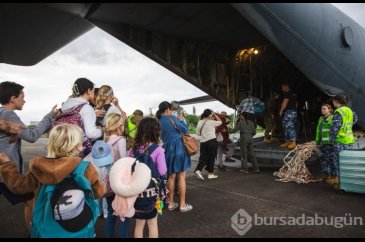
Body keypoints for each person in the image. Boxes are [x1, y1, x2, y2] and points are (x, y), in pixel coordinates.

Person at [0, 123, 105, 234]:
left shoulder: (39, 168)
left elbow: (19, 186)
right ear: (77, 145)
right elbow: (99, 192)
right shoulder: (86, 168)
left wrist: (6, 165)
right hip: (78, 227)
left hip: (46, 227)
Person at [0, 81, 58, 229]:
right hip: (6, 173)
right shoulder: (8, 114)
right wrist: (49, 116)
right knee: (31, 200)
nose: (24, 100)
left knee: (30, 200)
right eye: (22, 96)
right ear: (13, 98)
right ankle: (33, 232)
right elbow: (32, 136)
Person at [128, 117, 167, 238]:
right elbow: (162, 171)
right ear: (156, 132)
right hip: (153, 193)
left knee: (139, 223)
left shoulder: (133, 149)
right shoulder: (158, 150)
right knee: (153, 222)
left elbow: (128, 168)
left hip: (137, 191)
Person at [156, 101, 192, 212]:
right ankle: (182, 205)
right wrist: (181, 119)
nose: (172, 111)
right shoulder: (172, 118)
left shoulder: (158, 122)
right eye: (171, 109)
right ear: (167, 110)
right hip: (179, 148)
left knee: (171, 177)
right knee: (181, 176)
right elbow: (185, 130)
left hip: (167, 150)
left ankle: (171, 203)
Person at [59, 78, 103, 156]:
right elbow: (91, 133)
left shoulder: (65, 107)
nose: (93, 93)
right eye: (93, 90)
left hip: (63, 148)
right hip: (78, 151)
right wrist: (103, 131)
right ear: (89, 91)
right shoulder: (86, 108)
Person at [104, 113, 129, 238]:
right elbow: (124, 161)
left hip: (108, 181)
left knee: (111, 212)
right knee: (124, 213)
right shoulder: (121, 140)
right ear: (119, 126)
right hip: (120, 181)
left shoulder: (106, 141)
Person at [328, 94, 358, 185]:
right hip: (349, 140)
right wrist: (347, 126)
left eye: (333, 101)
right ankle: (346, 180)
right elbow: (355, 119)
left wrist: (332, 140)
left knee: (337, 160)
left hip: (340, 141)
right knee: (346, 161)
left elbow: (334, 128)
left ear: (337, 101)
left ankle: (338, 181)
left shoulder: (338, 111)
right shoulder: (349, 110)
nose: (332, 103)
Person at [194, 109, 222, 179]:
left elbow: (197, 133)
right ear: (210, 114)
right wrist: (215, 114)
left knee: (203, 157)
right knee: (212, 157)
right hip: (212, 141)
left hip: (203, 142)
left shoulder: (200, 122)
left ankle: (198, 170)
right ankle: (210, 174)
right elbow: (220, 122)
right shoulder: (211, 122)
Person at [315, 103, 334, 183]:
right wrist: (317, 142)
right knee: (322, 158)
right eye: (321, 109)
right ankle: (326, 175)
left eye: (324, 108)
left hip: (330, 143)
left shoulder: (333, 118)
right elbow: (318, 131)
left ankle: (333, 177)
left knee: (331, 159)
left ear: (329, 109)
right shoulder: (321, 119)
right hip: (322, 143)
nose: (322, 110)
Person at [279, 83, 298, 149]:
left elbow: (285, 103)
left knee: (289, 126)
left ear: (286, 87)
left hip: (290, 112)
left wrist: (281, 110)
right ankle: (288, 141)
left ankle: (293, 141)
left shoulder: (288, 93)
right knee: (285, 125)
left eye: (283, 87)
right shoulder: (293, 94)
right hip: (292, 112)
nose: (282, 89)